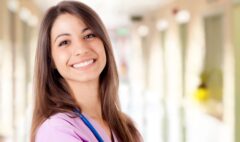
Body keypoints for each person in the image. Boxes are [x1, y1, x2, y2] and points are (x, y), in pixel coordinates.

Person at [30, 1, 142, 142]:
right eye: (64, 42)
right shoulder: (56, 130)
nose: (81, 49)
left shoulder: (126, 127)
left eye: (89, 35)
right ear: (50, 59)